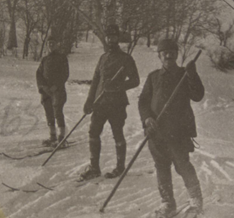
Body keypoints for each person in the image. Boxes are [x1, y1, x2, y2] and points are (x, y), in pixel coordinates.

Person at [138, 39, 204, 218]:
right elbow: (143, 101)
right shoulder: (153, 77)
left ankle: (195, 200)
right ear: (159, 55)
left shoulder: (184, 74)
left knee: (183, 165)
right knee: (161, 167)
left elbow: (198, 95)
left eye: (172, 52)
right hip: (156, 132)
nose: (168, 55)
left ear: (177, 54)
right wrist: (147, 118)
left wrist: (193, 75)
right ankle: (168, 203)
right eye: (164, 52)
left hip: (179, 132)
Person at [80, 24, 140, 181]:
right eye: (108, 37)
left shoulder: (126, 59)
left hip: (117, 104)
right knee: (93, 132)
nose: (111, 40)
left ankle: (120, 168)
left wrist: (118, 86)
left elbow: (135, 80)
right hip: (100, 103)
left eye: (113, 37)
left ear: (118, 38)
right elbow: (95, 81)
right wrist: (89, 100)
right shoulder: (103, 58)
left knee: (117, 134)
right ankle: (94, 168)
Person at [36, 35, 69, 147]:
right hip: (46, 92)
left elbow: (65, 74)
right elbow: (39, 74)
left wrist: (56, 85)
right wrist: (43, 87)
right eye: (49, 43)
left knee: (57, 112)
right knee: (49, 113)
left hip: (57, 91)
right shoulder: (45, 59)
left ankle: (61, 138)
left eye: (53, 43)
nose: (51, 45)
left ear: (57, 44)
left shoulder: (62, 57)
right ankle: (52, 136)